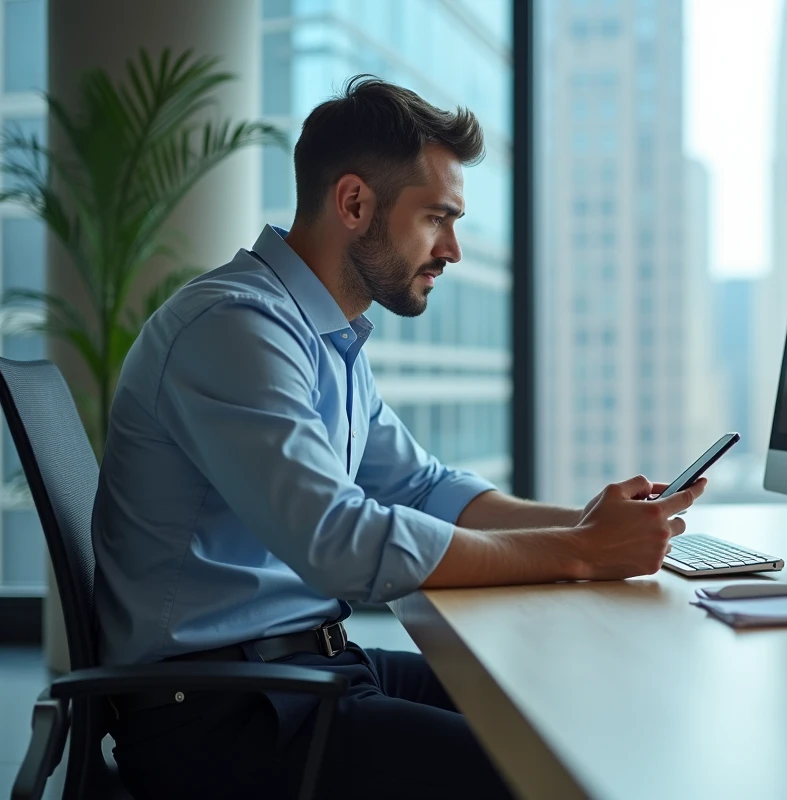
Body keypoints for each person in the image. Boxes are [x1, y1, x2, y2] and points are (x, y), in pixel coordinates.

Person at [92, 75, 705, 800]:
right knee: (543, 775)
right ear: (354, 203)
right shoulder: (235, 328)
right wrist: (577, 553)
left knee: (571, 706)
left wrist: (589, 522)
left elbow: (423, 487)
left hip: (307, 669)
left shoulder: (324, 337)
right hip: (224, 715)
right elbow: (340, 542)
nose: (453, 249)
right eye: (437, 218)